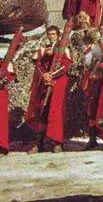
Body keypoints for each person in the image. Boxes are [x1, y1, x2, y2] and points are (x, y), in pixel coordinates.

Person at [25, 25, 73, 153]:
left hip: (58, 84)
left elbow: (66, 66)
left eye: (53, 34)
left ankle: (57, 143)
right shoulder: (43, 50)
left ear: (58, 35)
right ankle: (38, 143)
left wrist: (52, 75)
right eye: (49, 34)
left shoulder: (64, 49)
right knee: (41, 111)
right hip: (45, 83)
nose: (51, 36)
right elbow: (38, 65)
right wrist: (44, 75)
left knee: (56, 112)